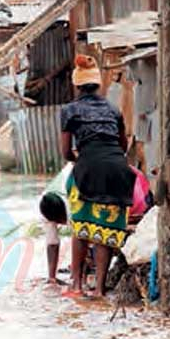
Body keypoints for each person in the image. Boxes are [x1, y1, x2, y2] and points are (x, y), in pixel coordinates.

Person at [60, 55, 136, 298]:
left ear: (77, 85)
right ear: (97, 84)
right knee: (105, 230)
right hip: (118, 168)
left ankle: (77, 285)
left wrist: (82, 159)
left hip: (88, 167)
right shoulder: (113, 110)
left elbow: (65, 152)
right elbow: (123, 146)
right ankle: (100, 290)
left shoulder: (69, 110)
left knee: (81, 227)